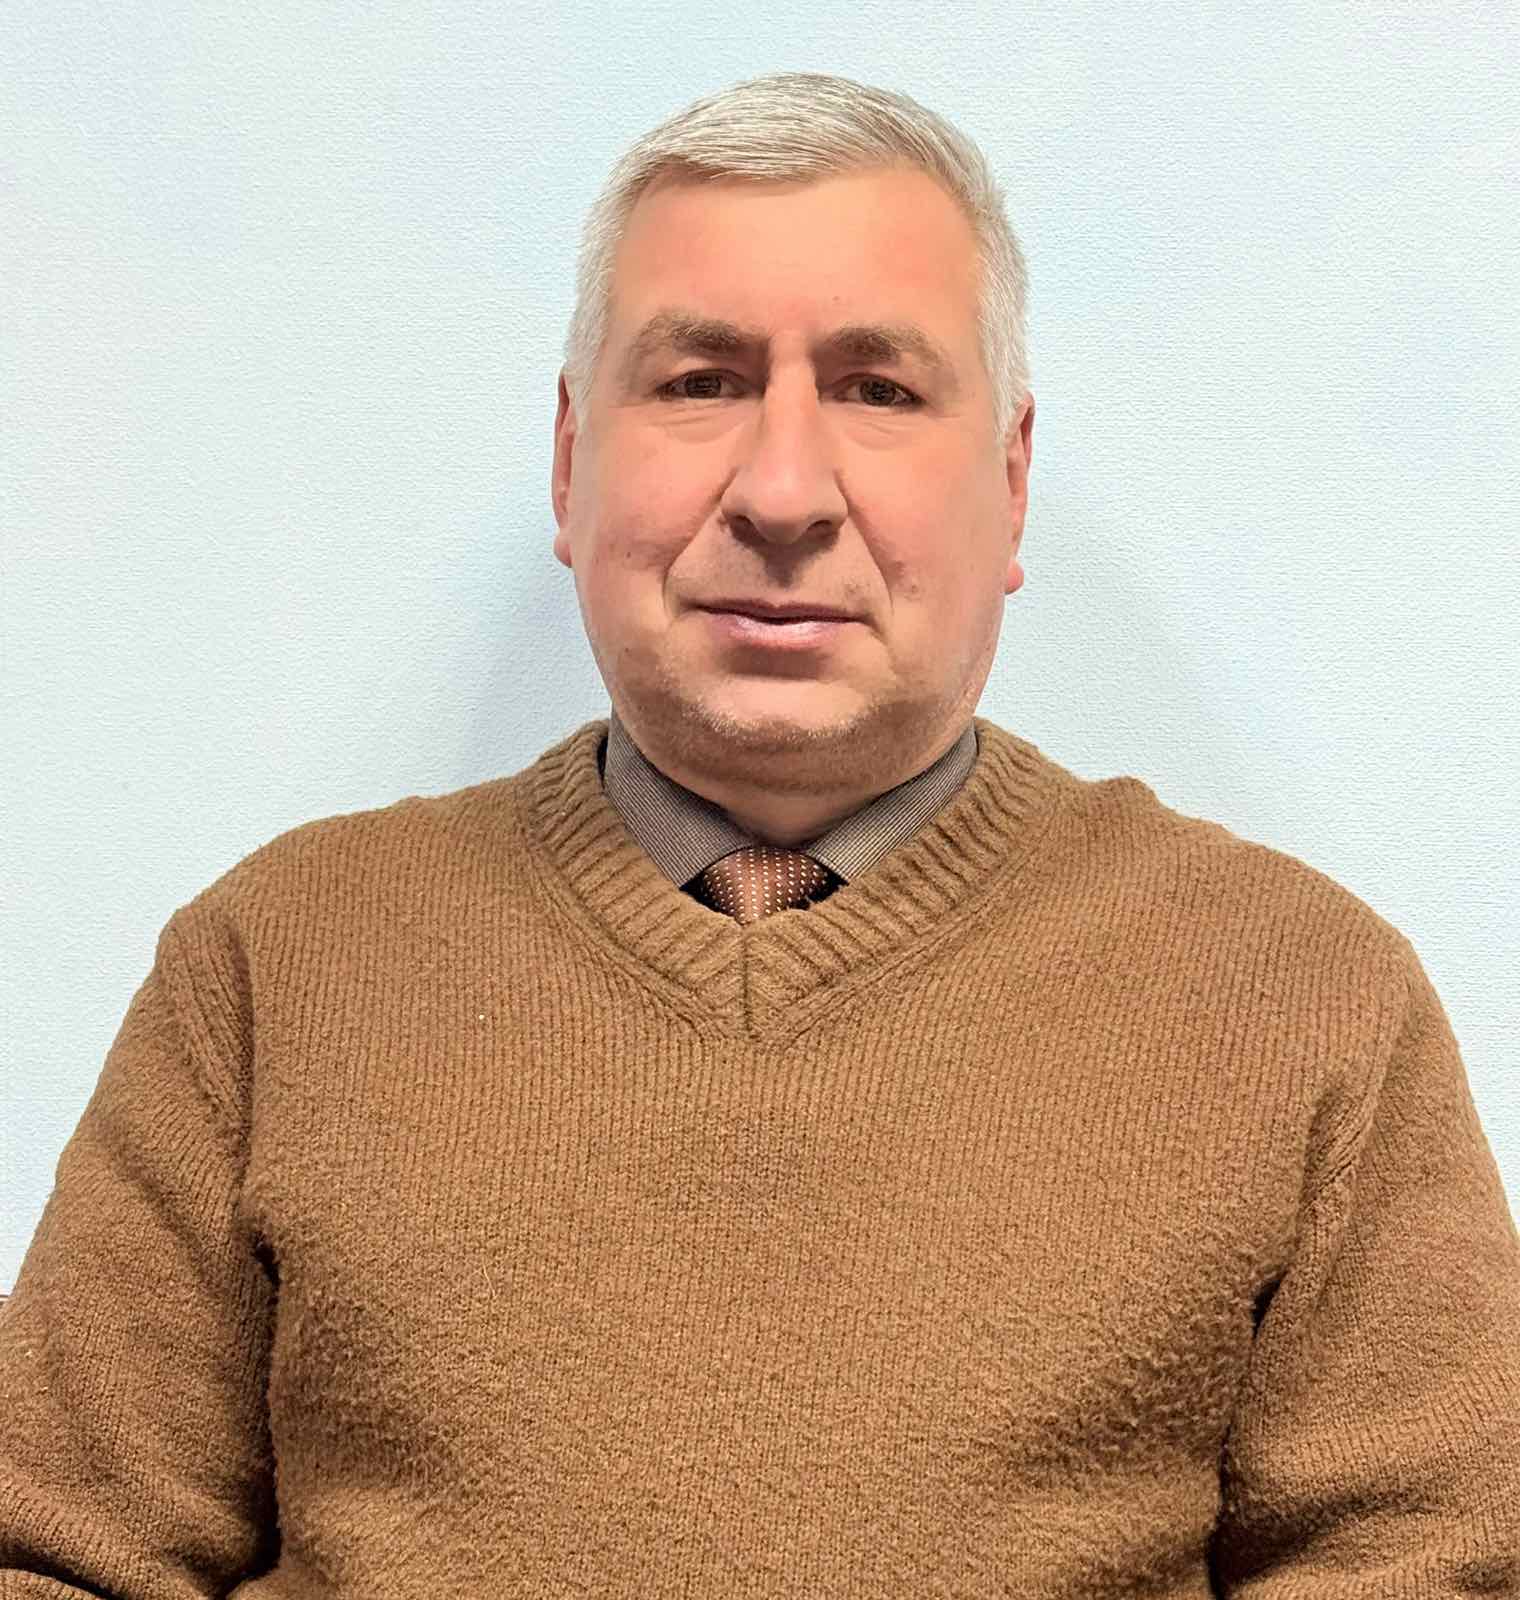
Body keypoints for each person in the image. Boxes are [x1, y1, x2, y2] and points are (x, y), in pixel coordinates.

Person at [2, 69, 1516, 1599]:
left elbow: (1440, 1563)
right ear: (570, 464)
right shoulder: (278, 965)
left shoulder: (1302, 996)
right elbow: (49, 1555)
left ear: (1010, 482)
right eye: (700, 381)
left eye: (878, 390)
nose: (784, 493)